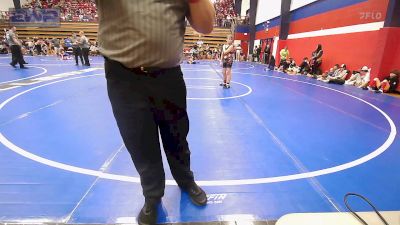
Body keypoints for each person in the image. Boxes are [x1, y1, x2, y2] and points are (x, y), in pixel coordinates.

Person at [95, 1, 215, 224]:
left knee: (177, 137)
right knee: (139, 143)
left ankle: (186, 181)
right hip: (123, 77)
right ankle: (152, 195)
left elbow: (206, 26)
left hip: (168, 76)